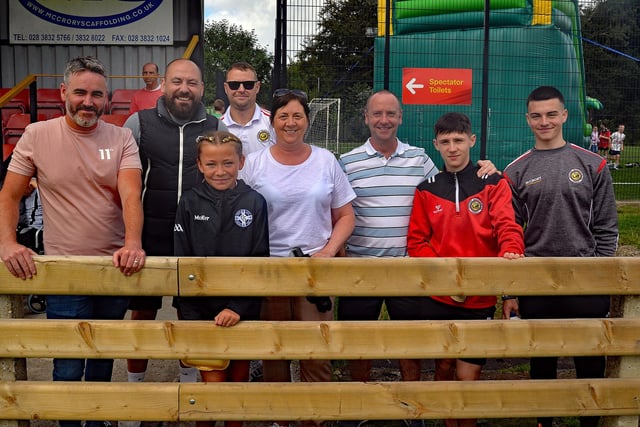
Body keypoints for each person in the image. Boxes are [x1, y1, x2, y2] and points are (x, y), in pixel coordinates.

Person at [336, 91, 497, 427]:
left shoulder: (420, 159)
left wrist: (486, 166)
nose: (384, 120)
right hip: (360, 268)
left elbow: (452, 179)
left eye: (391, 114)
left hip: (409, 267)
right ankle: (361, 406)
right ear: (366, 117)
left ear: (400, 117)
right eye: (377, 114)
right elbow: (338, 210)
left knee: (409, 340)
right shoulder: (347, 162)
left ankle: (411, 407)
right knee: (358, 340)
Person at [0, 56, 145, 427]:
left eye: (97, 94)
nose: (88, 102)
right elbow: (9, 195)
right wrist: (7, 244)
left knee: (101, 360)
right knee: (66, 362)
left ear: (107, 98)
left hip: (114, 269)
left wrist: (133, 243)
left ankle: (95, 424)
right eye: (80, 92)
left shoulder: (122, 137)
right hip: (64, 270)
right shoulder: (36, 135)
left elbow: (131, 195)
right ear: (64, 92)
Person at [503, 86, 618, 427]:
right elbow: (510, 235)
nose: (545, 122)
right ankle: (544, 421)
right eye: (537, 116)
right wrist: (511, 290)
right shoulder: (516, 171)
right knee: (542, 360)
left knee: (589, 358)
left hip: (585, 280)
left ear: (565, 115)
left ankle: (590, 421)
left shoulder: (592, 163)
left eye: (552, 114)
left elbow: (607, 227)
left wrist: (598, 275)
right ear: (528, 120)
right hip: (536, 280)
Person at [241, 88, 356, 427]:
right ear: (272, 121)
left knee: (315, 351)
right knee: (275, 351)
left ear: (307, 120)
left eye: (297, 116)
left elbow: (346, 216)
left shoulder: (326, 161)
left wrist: (328, 251)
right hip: (271, 269)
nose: (290, 123)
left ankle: (315, 418)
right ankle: (280, 419)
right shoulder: (254, 164)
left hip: (315, 270)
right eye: (283, 116)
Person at [122, 58, 226, 419]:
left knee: (191, 316)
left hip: (197, 241)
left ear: (201, 88)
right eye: (178, 81)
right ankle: (135, 392)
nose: (185, 88)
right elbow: (124, 182)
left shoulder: (214, 125)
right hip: (148, 238)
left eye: (193, 83)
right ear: (163, 84)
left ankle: (189, 383)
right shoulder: (139, 123)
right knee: (143, 314)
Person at [406, 112, 524, 427]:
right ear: (436, 145)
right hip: (439, 298)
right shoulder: (426, 189)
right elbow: (417, 243)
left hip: (479, 299)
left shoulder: (493, 182)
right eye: (445, 142)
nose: (453, 148)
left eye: (459, 140)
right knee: (444, 368)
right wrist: (449, 280)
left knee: (467, 377)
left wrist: (512, 250)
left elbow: (506, 226)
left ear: (471, 140)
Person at [173, 130, 269, 427]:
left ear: (240, 162)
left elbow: (258, 260)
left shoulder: (255, 202)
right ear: (200, 165)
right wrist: (191, 315)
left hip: (241, 313)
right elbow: (182, 261)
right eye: (211, 164)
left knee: (236, 387)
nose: (220, 171)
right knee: (213, 389)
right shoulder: (188, 202)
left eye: (227, 163)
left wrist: (238, 307)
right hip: (203, 315)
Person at [221, 62, 274, 156]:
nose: (241, 90)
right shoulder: (217, 126)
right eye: (234, 85)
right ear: (226, 88)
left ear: (257, 87)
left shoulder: (273, 122)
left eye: (248, 84)